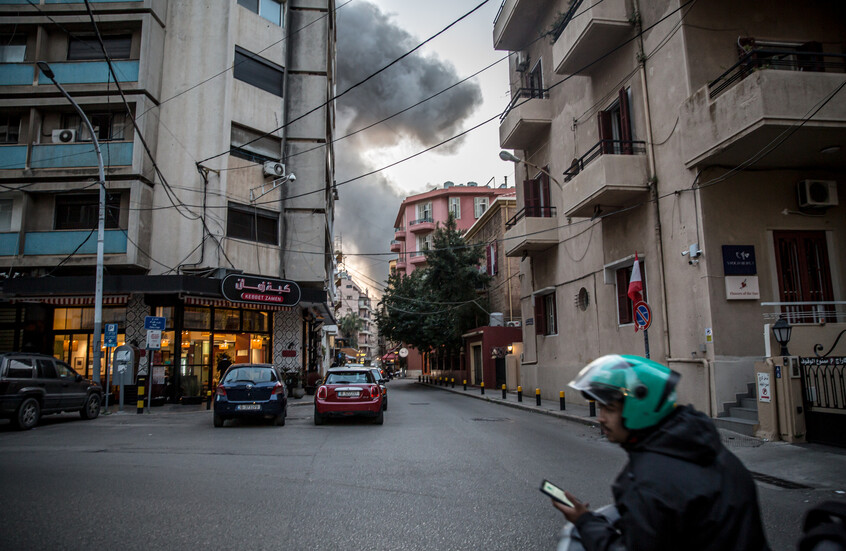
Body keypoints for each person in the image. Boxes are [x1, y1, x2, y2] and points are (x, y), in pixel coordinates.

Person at [553, 354, 770, 551]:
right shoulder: (711, 452)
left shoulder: (649, 484)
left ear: (638, 408)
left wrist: (585, 522)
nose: (600, 418)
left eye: (609, 409)